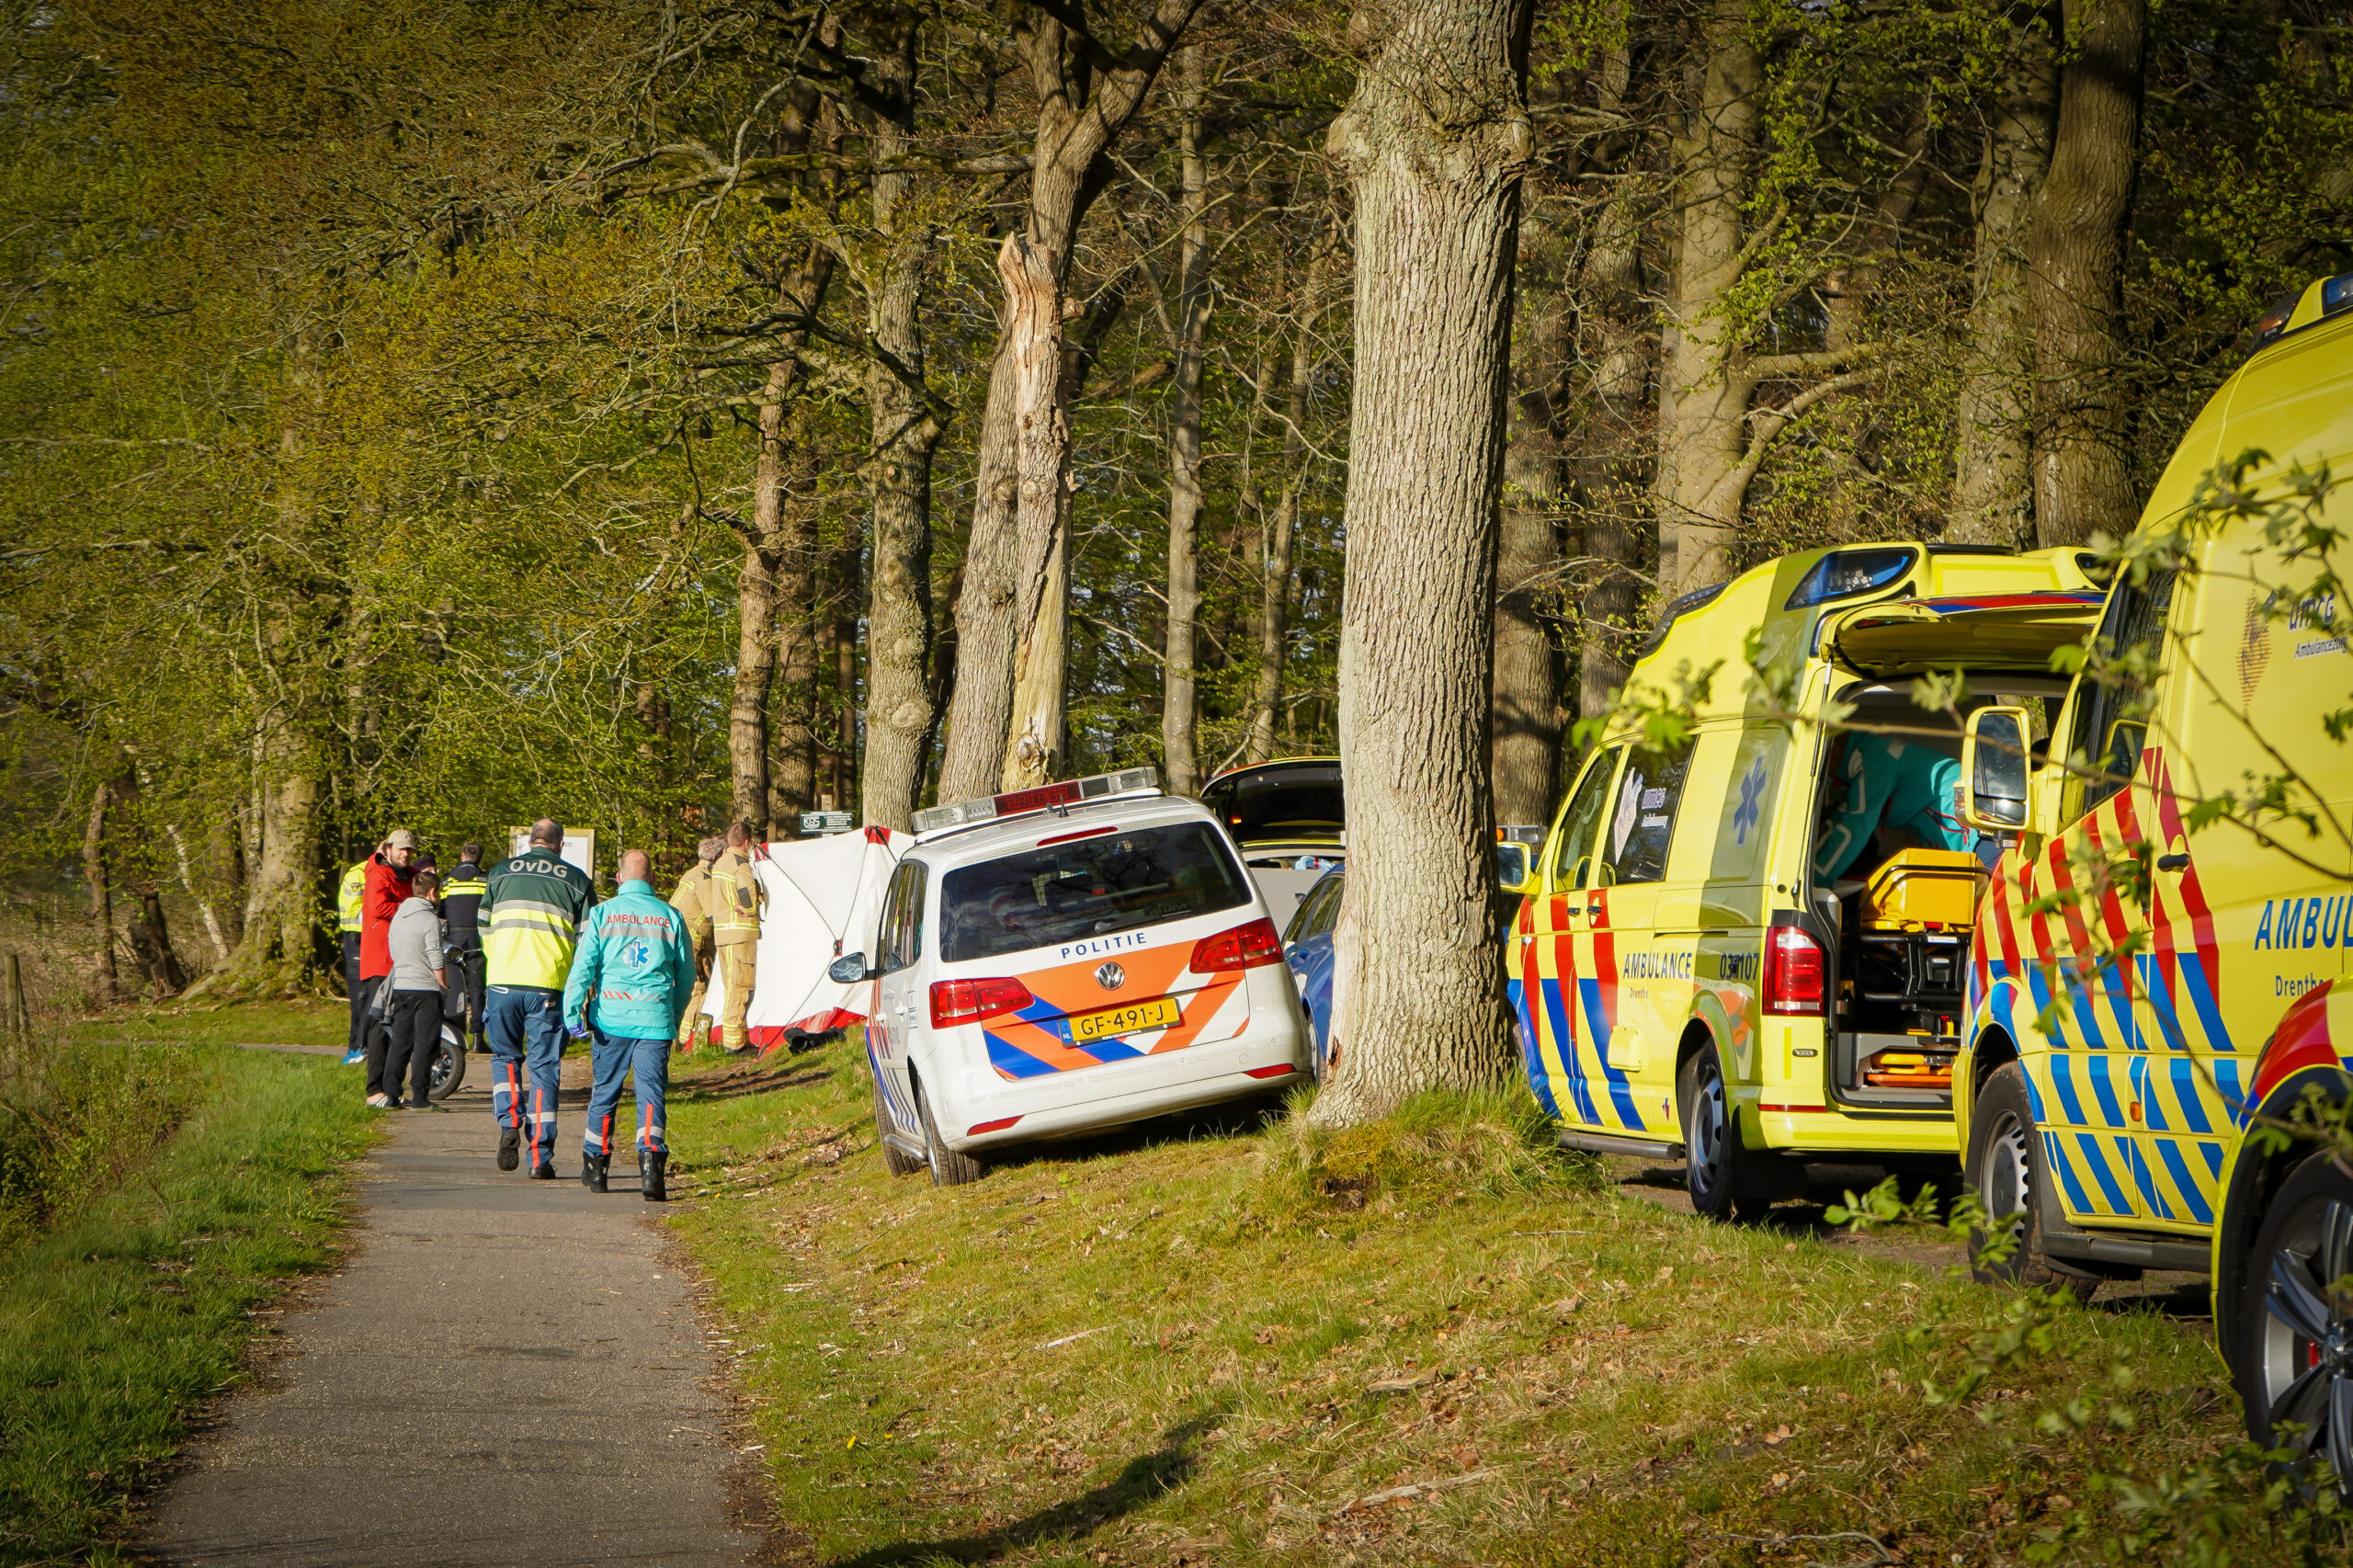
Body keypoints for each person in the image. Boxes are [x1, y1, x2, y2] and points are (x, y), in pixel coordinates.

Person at [563, 848, 697, 1200]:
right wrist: (675, 1016)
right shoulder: (671, 916)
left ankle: (596, 1169)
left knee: (605, 1092)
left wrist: (572, 1009)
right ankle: (651, 1169)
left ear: (619, 878)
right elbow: (686, 979)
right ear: (652, 879)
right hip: (655, 1022)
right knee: (651, 1094)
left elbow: (584, 967)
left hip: (612, 1020)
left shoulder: (603, 914)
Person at [482, 820, 597, 1177]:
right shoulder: (576, 880)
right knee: (544, 1069)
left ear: (530, 841)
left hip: (502, 981)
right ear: (560, 844)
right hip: (548, 985)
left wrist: (498, 964)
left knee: (505, 1057)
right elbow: (588, 942)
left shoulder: (499, 874)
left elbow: (484, 927)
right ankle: (539, 1159)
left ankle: (509, 1120)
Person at [1812, 733, 1970, 885]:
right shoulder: (1863, 759)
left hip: (1965, 821)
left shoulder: (1874, 755)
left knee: (1985, 893)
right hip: (1949, 829)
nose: (1829, 779)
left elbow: (1856, 825)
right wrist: (1810, 870)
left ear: (1831, 755)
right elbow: (1839, 821)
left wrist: (1816, 882)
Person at [358, 829, 419, 1104]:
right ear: (388, 849)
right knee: (380, 1025)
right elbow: (379, 908)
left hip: (402, 959)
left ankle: (392, 1088)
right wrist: (413, 908)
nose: (405, 854)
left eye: (409, 850)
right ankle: (375, 1091)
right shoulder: (379, 874)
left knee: (399, 1025)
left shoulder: (408, 874)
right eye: (401, 850)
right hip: (380, 960)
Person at [381, 867, 449, 1111]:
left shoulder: (399, 916)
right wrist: (444, 985)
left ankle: (392, 1095)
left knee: (400, 1041)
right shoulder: (429, 920)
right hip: (425, 988)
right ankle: (420, 1096)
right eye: (438, 891)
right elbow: (436, 958)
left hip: (401, 984)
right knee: (425, 1043)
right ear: (432, 892)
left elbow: (392, 948)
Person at [710, 822, 766, 1053]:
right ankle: (734, 1043)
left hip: (722, 934)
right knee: (740, 988)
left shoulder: (720, 863)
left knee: (730, 986)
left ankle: (738, 1037)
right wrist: (753, 906)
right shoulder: (740, 865)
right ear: (747, 842)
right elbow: (747, 895)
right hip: (740, 934)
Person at [667, 837, 721, 1051]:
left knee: (680, 987)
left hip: (678, 938)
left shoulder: (690, 874)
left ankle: (678, 1037)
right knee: (697, 988)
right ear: (715, 858)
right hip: (694, 941)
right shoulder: (704, 879)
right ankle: (684, 1038)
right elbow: (714, 913)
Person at [440, 843, 490, 1053]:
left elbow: (440, 910)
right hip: (476, 938)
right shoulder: (485, 881)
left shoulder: (448, 881)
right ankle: (478, 1036)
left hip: (453, 938)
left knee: (450, 985)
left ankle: (451, 1033)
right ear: (479, 858)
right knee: (478, 987)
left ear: (462, 856)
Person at [337, 850, 373, 1066]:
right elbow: (353, 912)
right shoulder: (358, 875)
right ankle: (356, 1049)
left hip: (369, 938)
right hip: (357, 939)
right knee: (360, 1000)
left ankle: (364, 1047)